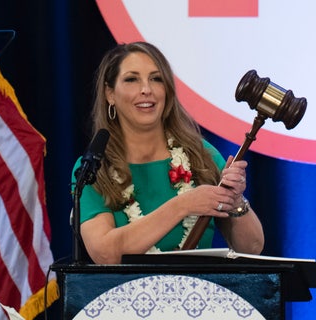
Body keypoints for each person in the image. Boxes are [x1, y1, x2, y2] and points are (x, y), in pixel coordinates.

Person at [72, 41, 264, 264]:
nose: (147, 89)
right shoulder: (93, 169)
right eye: (132, 79)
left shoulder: (201, 156)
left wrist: (236, 200)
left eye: (156, 79)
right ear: (110, 94)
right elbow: (104, 253)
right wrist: (183, 206)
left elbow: (252, 248)